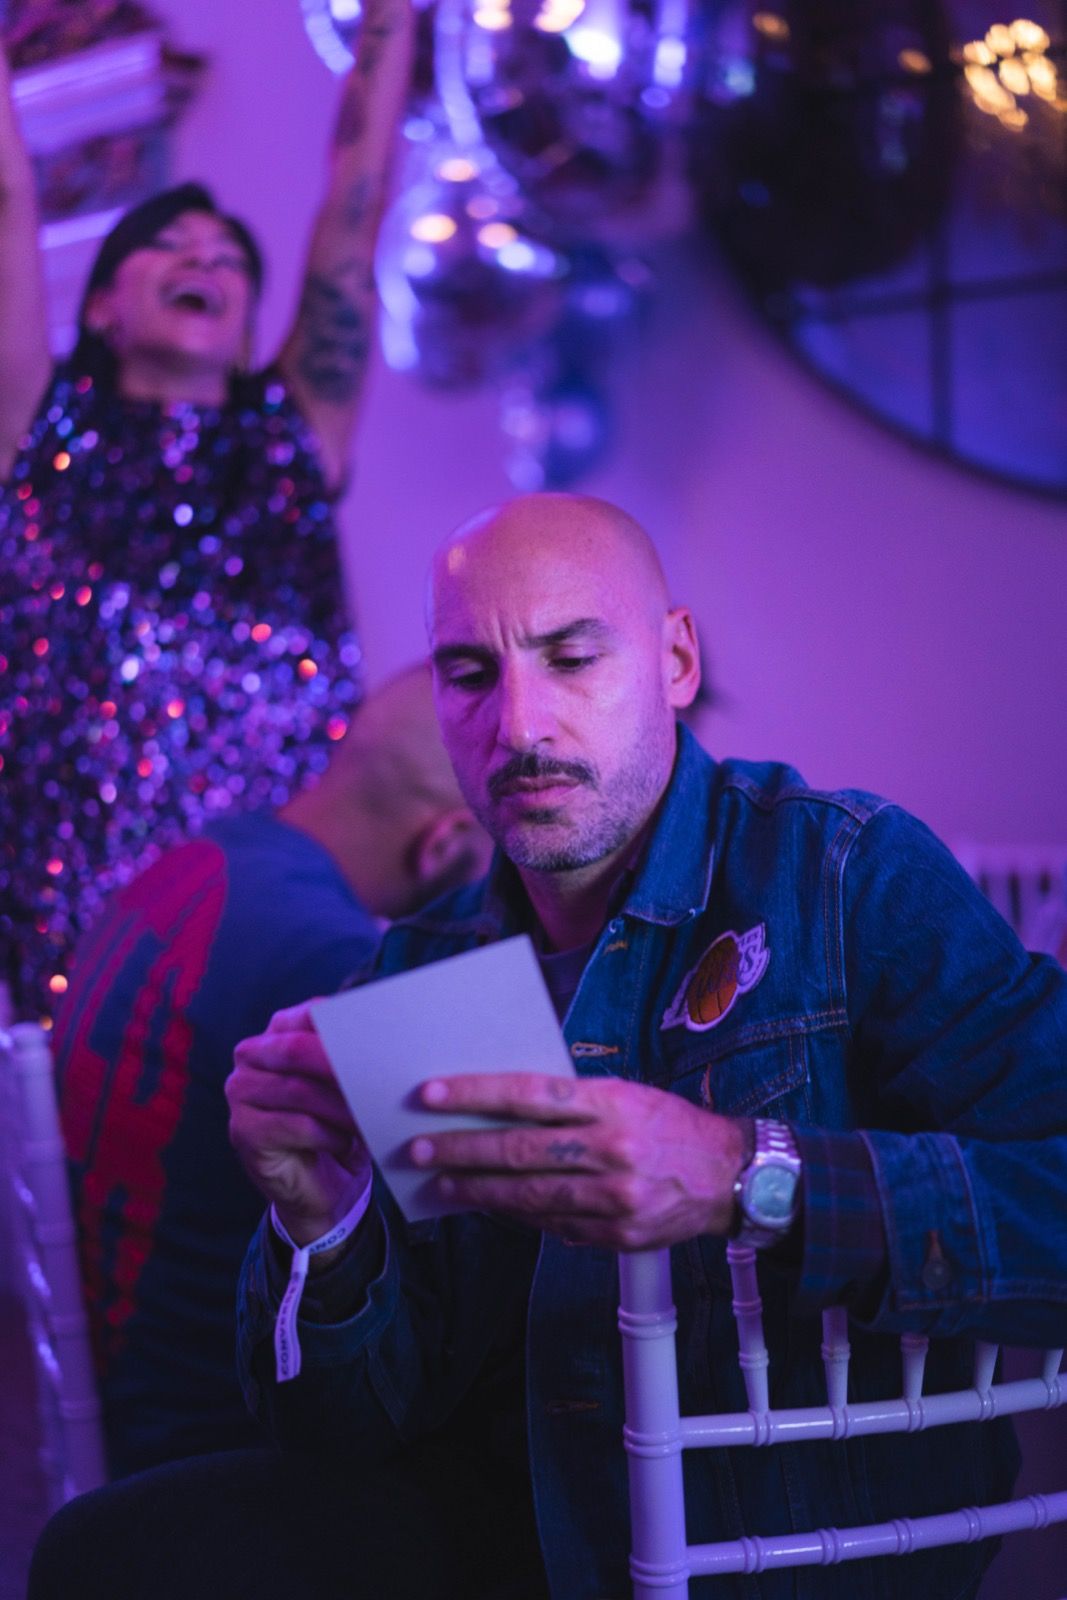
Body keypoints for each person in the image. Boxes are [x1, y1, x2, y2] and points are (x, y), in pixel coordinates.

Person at [29, 494, 1067, 1600]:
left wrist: (744, 1175)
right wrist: (320, 1223)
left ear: (673, 660)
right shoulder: (415, 971)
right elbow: (336, 1428)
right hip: (519, 1523)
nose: (519, 726)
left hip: (792, 1548)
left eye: (571, 658)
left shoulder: (843, 876)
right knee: (106, 1552)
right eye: (470, 674)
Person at [0, 0, 413, 1021]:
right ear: (101, 305)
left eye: (230, 258)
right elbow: (6, 199)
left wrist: (390, 21)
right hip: (79, 968)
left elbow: (353, 213)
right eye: (172, 246)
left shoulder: (292, 441)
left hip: (285, 950)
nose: (206, 261)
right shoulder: (37, 438)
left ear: (246, 328)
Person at [52, 662, 490, 1478]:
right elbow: (482, 1235)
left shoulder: (207, 860)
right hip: (221, 1432)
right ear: (444, 845)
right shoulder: (324, 957)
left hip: (128, 1369)